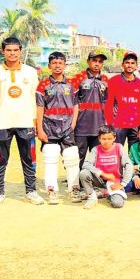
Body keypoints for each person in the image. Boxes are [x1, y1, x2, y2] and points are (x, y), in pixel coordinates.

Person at [0, 37, 42, 208]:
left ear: (21, 51)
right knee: (0, 159)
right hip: (3, 123)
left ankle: (31, 191)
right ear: (3, 51)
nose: (12, 53)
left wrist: (35, 122)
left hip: (26, 122)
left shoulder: (30, 72)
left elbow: (35, 98)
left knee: (29, 159)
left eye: (16, 50)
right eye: (8, 50)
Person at [36, 51, 80, 204]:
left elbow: (76, 105)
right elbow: (40, 107)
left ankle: (74, 189)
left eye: (60, 63)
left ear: (65, 65)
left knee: (72, 156)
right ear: (49, 66)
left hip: (68, 127)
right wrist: (40, 129)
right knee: (50, 156)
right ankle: (52, 190)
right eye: (54, 63)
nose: (57, 66)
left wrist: (73, 123)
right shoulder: (43, 85)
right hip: (49, 127)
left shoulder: (72, 84)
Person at [79, 124, 133, 210]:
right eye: (104, 139)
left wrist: (123, 184)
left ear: (114, 138)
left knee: (117, 204)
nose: (106, 141)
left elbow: (128, 165)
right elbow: (86, 164)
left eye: (109, 138)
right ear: (99, 139)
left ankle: (108, 194)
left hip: (114, 181)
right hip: (99, 179)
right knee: (84, 173)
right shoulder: (96, 149)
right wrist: (103, 174)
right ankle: (92, 197)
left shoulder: (119, 148)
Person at [72, 51, 109, 168]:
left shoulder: (105, 80)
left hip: (99, 127)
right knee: (78, 157)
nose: (97, 64)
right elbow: (72, 102)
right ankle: (76, 178)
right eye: (94, 60)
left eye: (100, 61)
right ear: (88, 61)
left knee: (97, 159)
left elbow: (108, 103)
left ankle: (93, 178)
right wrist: (72, 123)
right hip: (81, 127)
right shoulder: (78, 78)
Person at [105, 51, 140, 148]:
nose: (129, 65)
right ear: (122, 65)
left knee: (134, 152)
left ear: (136, 66)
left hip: (135, 124)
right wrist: (110, 123)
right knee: (116, 150)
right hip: (118, 124)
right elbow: (108, 103)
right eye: (127, 63)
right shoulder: (114, 81)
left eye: (132, 63)